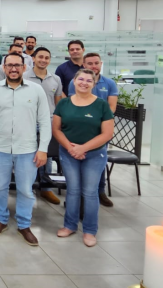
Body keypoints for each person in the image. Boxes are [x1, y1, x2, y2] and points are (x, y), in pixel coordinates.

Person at [0, 53, 50, 246]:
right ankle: (1, 220)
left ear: (24, 67)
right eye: (9, 65)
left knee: (26, 190)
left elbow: (45, 121)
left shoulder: (36, 91)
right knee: (0, 186)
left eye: (17, 65)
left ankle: (24, 224)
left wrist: (43, 149)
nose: (13, 69)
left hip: (27, 149)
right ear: (3, 67)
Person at [53, 69, 115, 248]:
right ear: (74, 81)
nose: (84, 83)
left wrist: (83, 148)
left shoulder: (101, 105)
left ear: (94, 84)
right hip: (68, 152)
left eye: (89, 80)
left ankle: (89, 230)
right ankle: (69, 225)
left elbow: (107, 133)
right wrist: (71, 148)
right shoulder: (64, 103)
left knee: (89, 192)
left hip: (94, 154)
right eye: (80, 79)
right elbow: (56, 129)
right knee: (72, 190)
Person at [68, 52, 119, 207]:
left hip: (101, 131)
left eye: (96, 63)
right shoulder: (75, 82)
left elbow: (112, 107)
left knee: (98, 164)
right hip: (80, 130)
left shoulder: (109, 83)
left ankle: (100, 191)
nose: (93, 66)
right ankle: (80, 197)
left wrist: (98, 121)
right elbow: (74, 105)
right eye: (89, 63)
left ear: (101, 64)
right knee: (77, 160)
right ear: (84, 65)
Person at [23, 47, 63, 205]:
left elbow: (58, 102)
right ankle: (29, 186)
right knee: (29, 154)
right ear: (33, 58)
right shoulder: (24, 77)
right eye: (40, 57)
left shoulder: (56, 79)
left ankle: (46, 188)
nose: (43, 60)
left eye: (47, 58)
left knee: (46, 154)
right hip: (28, 121)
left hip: (48, 121)